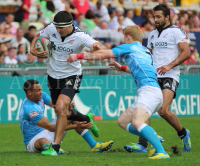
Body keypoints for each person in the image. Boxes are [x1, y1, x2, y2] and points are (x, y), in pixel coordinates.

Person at [67, 25, 170, 159]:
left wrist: (78, 55)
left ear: (128, 37)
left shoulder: (129, 47)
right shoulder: (145, 51)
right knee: (122, 121)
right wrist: (121, 67)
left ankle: (162, 152)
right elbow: (139, 70)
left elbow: (103, 54)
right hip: (153, 92)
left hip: (149, 92)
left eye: (124, 38)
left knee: (138, 123)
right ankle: (153, 136)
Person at [30, 11, 107, 156]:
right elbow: (38, 37)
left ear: (70, 25)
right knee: (61, 111)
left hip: (72, 75)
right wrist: (32, 48)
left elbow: (98, 45)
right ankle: (86, 118)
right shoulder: (52, 27)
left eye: (61, 28)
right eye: (56, 27)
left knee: (60, 106)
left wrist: (99, 48)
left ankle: (55, 147)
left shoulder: (80, 36)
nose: (58, 30)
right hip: (53, 76)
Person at [124, 4, 191, 154]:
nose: (155, 19)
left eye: (159, 16)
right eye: (154, 16)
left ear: (167, 17)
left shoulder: (176, 32)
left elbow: (186, 52)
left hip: (170, 75)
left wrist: (169, 65)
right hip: (154, 76)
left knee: (162, 110)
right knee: (145, 110)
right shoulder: (153, 34)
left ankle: (183, 133)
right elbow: (150, 55)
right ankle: (143, 144)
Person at [20, 79, 113, 155]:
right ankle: (53, 148)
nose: (41, 92)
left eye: (40, 89)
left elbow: (55, 105)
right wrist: (76, 126)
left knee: (67, 113)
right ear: (29, 92)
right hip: (33, 139)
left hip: (47, 131)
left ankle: (94, 145)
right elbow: (51, 127)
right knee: (42, 141)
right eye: (38, 90)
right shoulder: (29, 109)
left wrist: (66, 104)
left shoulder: (42, 96)